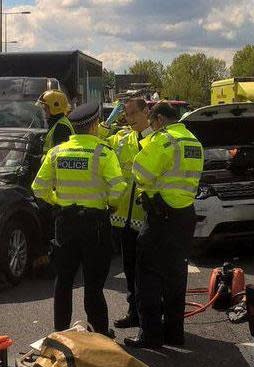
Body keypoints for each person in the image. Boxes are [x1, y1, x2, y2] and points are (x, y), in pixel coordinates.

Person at [31, 102, 126, 336]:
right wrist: (109, 205)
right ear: (94, 125)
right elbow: (119, 188)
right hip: (95, 224)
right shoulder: (103, 152)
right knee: (93, 285)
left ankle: (60, 334)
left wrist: (58, 201)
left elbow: (38, 188)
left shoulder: (57, 152)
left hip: (65, 223)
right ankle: (100, 335)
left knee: (63, 282)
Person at [124, 102, 204, 349]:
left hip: (160, 216)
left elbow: (141, 172)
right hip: (185, 216)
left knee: (147, 276)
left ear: (159, 119)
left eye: (152, 122)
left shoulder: (164, 140)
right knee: (176, 276)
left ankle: (150, 335)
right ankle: (174, 332)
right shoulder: (193, 141)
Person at [108, 98, 153, 329]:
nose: (130, 118)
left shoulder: (156, 139)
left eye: (133, 113)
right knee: (129, 269)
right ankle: (133, 312)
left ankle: (150, 317)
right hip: (123, 218)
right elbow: (96, 141)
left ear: (147, 111)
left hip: (147, 218)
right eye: (126, 114)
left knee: (147, 272)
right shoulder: (124, 137)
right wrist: (110, 120)